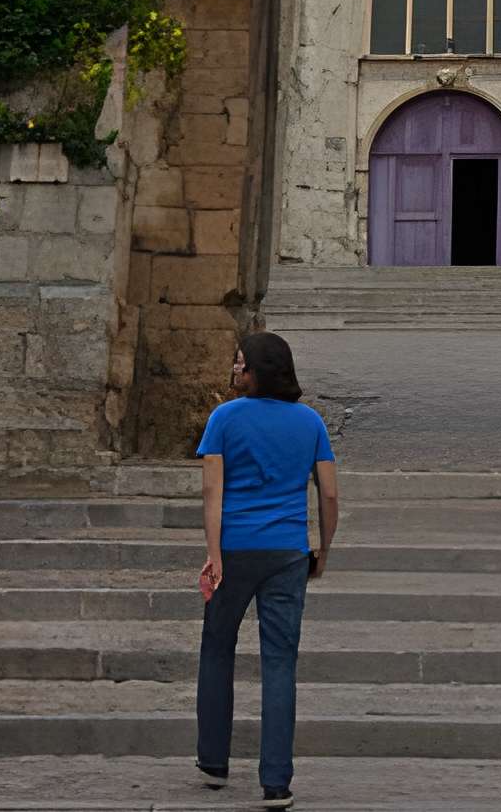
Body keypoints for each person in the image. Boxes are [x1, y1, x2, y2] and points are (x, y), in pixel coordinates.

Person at [194, 331, 339, 807]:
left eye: (241, 363)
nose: (236, 369)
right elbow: (329, 493)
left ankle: (214, 761)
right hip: (287, 553)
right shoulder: (310, 422)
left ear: (257, 371)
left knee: (217, 648)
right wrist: (323, 550)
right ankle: (276, 782)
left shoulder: (224, 418)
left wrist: (214, 554)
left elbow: (213, 492)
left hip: (235, 549)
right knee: (279, 662)